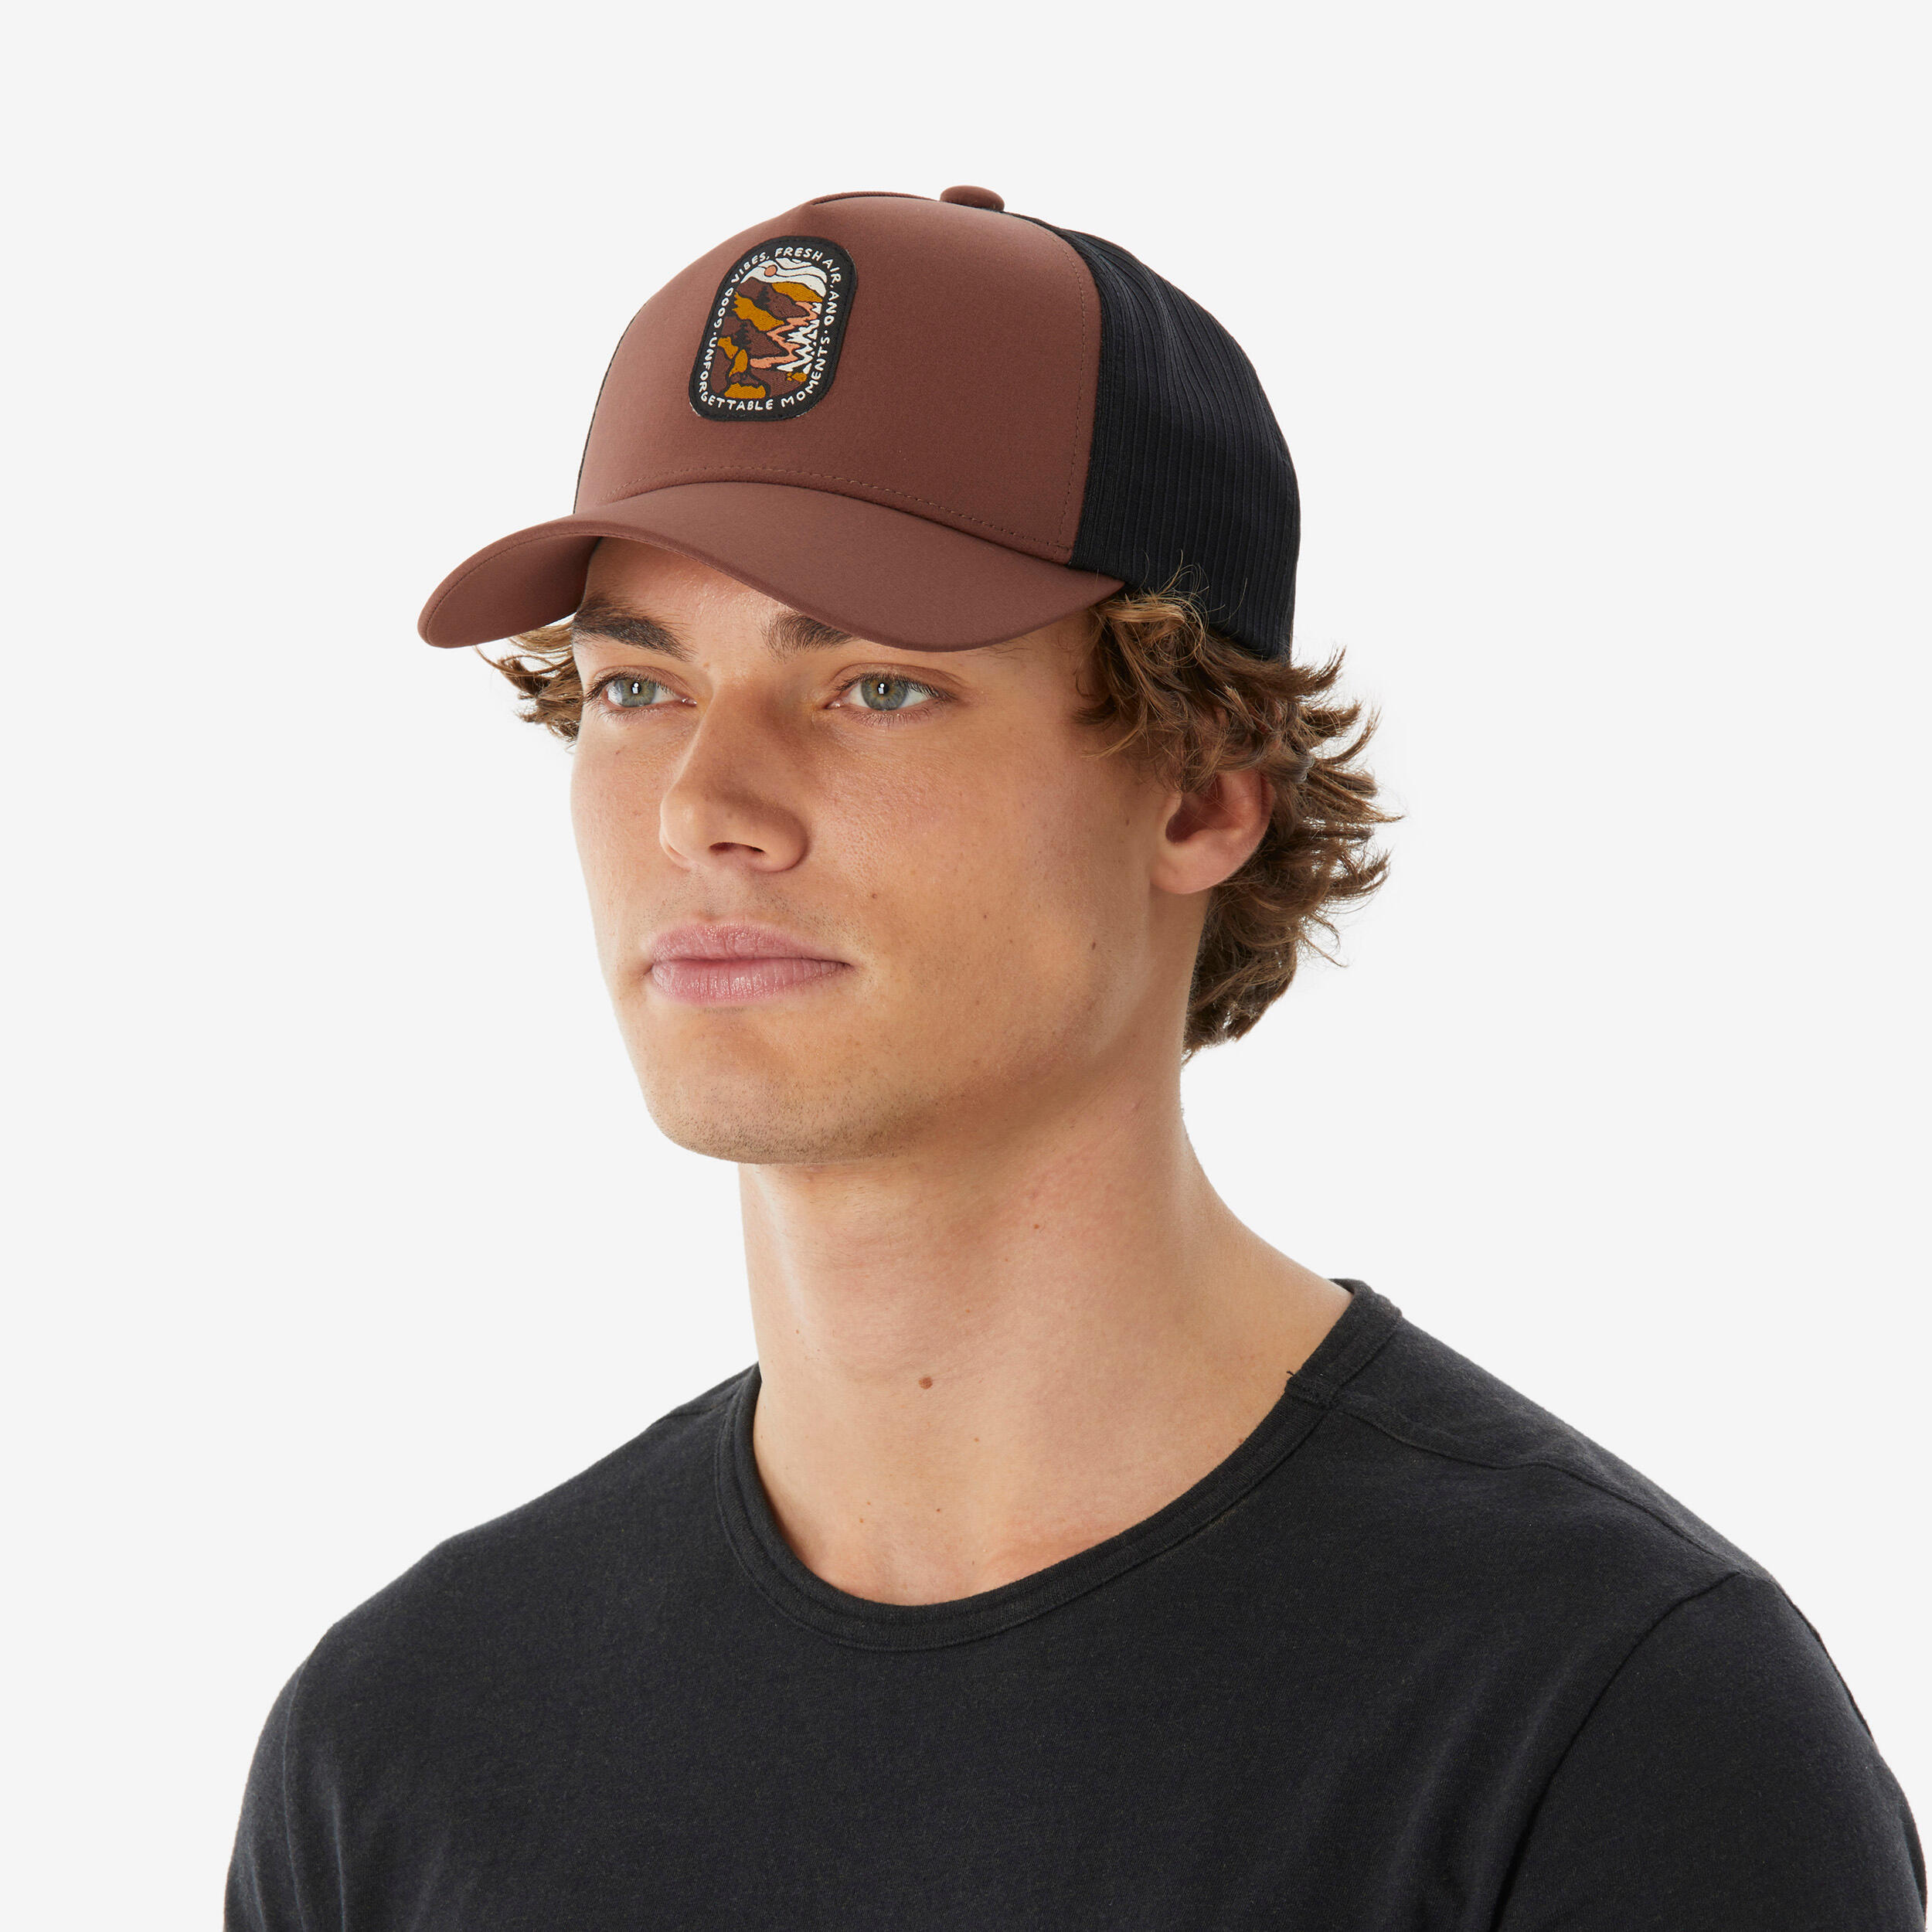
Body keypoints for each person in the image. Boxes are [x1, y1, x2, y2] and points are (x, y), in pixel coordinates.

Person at [225, 185, 1927, 1930]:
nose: (701, 806)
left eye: (877, 687)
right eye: (634, 687)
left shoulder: (1604, 1723)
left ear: (1201, 787)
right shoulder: (407, 1743)